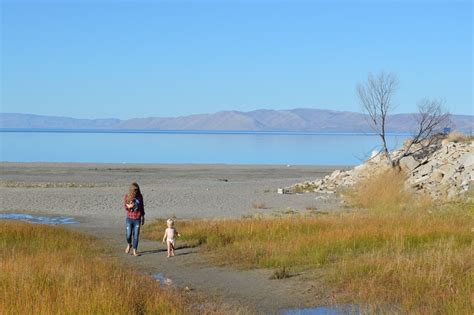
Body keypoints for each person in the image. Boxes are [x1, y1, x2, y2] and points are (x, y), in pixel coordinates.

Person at [124, 182, 145, 256]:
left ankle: (135, 250)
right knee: (128, 234)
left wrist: (143, 217)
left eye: (137, 189)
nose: (135, 191)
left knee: (136, 235)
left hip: (137, 219)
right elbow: (125, 206)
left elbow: (142, 207)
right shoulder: (127, 196)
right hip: (129, 218)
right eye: (134, 190)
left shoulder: (140, 197)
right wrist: (128, 207)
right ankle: (129, 244)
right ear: (131, 190)